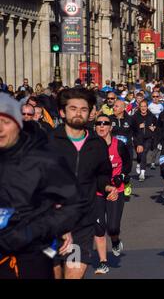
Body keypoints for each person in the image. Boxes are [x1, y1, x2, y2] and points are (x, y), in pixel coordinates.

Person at [0, 93, 83, 279]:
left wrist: (50, 228)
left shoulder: (42, 157)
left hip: (31, 249)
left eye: (6, 122)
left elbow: (71, 202)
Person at [49, 88, 114, 279]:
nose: (78, 113)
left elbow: (103, 174)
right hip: (50, 222)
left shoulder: (97, 143)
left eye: (84, 109)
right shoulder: (49, 141)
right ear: (62, 112)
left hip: (83, 221)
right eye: (73, 108)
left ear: (91, 113)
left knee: (74, 274)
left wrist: (107, 186)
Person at [93, 114, 132, 274]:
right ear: (94, 127)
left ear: (110, 127)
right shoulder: (91, 147)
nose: (102, 126)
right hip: (97, 192)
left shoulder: (119, 145)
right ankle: (103, 262)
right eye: (98, 123)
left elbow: (128, 163)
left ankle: (115, 241)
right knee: (99, 227)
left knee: (113, 227)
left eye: (105, 123)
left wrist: (121, 176)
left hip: (117, 190)